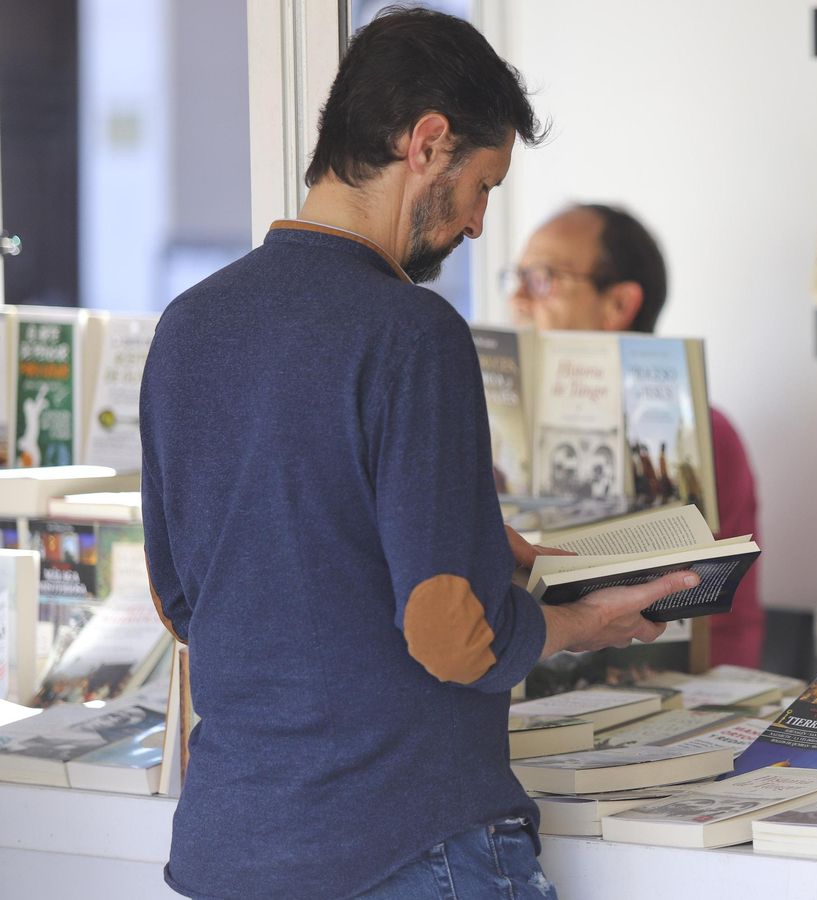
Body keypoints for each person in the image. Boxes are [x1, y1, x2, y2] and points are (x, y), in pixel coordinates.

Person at [141, 10, 697, 899]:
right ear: (428, 143)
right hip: (405, 844)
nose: (478, 224)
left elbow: (185, 603)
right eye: (483, 185)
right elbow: (451, 639)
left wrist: (462, 535)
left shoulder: (189, 326)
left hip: (233, 846)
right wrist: (583, 624)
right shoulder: (412, 334)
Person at [508, 204, 766, 667]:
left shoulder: (710, 434)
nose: (518, 300)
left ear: (620, 304)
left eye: (542, 278)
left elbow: (728, 618)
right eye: (518, 277)